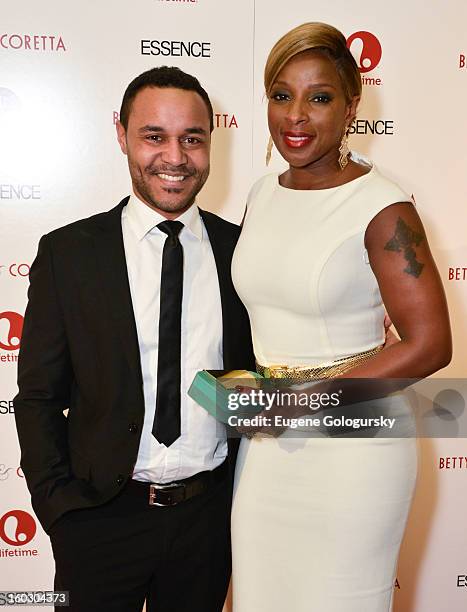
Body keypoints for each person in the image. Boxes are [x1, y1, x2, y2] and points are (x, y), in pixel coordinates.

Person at [13, 66, 254, 612]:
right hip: (99, 520)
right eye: (154, 136)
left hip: (207, 522)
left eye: (192, 138)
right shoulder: (69, 255)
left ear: (210, 142)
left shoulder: (243, 252)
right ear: (121, 134)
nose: (175, 157)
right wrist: (61, 512)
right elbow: (38, 398)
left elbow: (259, 376)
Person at [230, 22, 451, 612]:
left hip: (355, 452)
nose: (296, 116)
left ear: (352, 105)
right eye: (282, 95)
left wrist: (303, 398)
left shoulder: (383, 207)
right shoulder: (260, 192)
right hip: (269, 444)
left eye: (319, 97)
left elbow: (431, 345)